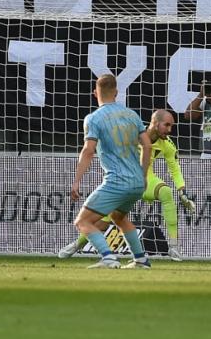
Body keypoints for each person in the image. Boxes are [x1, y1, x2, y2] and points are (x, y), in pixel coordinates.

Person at [60, 109, 195, 261]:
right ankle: (77, 245)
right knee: (105, 221)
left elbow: (174, 168)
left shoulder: (168, 145)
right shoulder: (132, 134)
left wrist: (182, 191)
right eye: (167, 125)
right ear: (155, 123)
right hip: (124, 179)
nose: (170, 130)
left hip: (146, 179)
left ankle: (173, 247)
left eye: (172, 126)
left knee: (166, 192)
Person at [71, 74, 152, 269]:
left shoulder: (93, 118)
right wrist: (142, 175)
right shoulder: (132, 115)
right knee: (119, 217)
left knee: (82, 221)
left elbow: (88, 151)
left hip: (117, 181)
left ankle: (108, 258)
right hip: (137, 181)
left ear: (95, 93)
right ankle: (141, 260)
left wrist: (76, 181)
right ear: (116, 92)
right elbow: (147, 145)